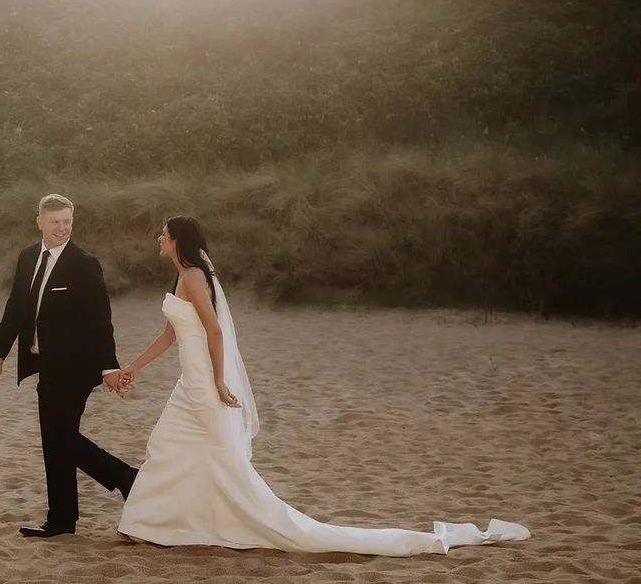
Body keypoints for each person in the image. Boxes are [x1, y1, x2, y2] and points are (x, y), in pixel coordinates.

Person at [116, 216, 530, 555]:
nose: (158, 238)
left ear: (176, 242)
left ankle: (179, 523)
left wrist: (220, 381)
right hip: (188, 386)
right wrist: (133, 366)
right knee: (171, 450)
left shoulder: (192, 277)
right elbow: (171, 335)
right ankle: (154, 524)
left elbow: (214, 332)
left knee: (219, 464)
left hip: (204, 386)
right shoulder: (180, 279)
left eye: (162, 235)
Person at [0, 193, 139, 538]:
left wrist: (108, 367)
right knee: (57, 439)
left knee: (58, 438)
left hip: (78, 367)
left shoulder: (84, 263)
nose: (62, 228)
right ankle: (64, 518)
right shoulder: (28, 257)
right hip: (46, 365)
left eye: (67, 221)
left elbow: (101, 320)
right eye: (55, 222)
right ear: (39, 222)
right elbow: (16, 308)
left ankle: (122, 478)